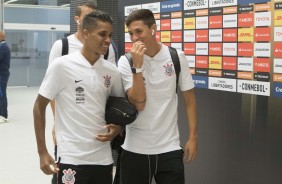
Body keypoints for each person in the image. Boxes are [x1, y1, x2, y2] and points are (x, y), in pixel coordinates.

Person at [33, 10, 124, 184]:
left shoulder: (112, 71)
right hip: (70, 157)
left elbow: (119, 108)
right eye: (102, 34)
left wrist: (118, 128)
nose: (108, 40)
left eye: (110, 35)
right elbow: (39, 106)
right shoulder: (62, 65)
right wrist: (42, 151)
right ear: (86, 33)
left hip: (103, 159)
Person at [117, 9, 198, 184]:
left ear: (153, 28)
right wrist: (137, 67)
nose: (134, 38)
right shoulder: (126, 61)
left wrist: (192, 137)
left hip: (169, 148)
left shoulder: (176, 57)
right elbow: (139, 103)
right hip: (134, 149)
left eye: (139, 31)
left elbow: (189, 99)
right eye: (131, 33)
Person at [0, 31, 11, 123]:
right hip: (2, 74)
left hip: (2, 75)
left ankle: (4, 115)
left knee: (2, 94)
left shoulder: (3, 47)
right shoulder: (2, 46)